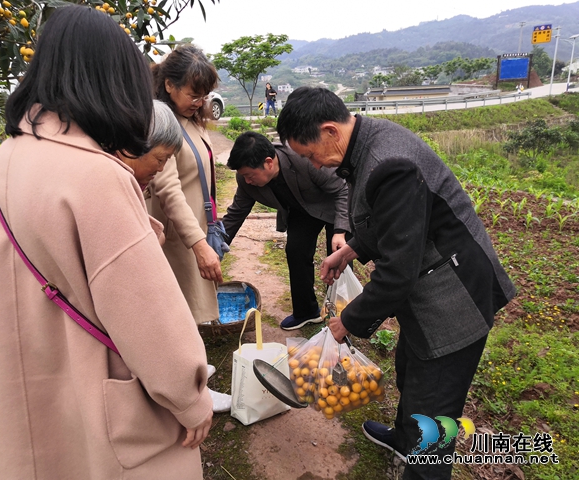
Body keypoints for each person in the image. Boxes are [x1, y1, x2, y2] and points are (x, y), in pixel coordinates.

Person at [0, 7, 212, 479]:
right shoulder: (96, 175)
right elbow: (147, 314)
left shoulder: (2, 162)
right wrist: (190, 397)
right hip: (104, 391)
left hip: (35, 383)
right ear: (111, 79)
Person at [277, 87, 516, 480]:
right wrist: (351, 249)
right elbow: (391, 222)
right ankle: (402, 440)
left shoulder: (388, 163)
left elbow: (398, 270)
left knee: (434, 410)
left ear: (329, 131)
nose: (314, 165)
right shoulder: (365, 144)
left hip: (455, 296)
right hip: (432, 283)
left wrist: (348, 321)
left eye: (310, 154)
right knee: (410, 367)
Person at [150, 44, 231, 412]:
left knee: (188, 310)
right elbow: (167, 188)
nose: (199, 102)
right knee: (177, 312)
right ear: (168, 85)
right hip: (177, 234)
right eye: (192, 94)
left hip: (195, 225)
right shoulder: (161, 122)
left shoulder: (188, 120)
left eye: (204, 95)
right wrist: (198, 243)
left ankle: (192, 375)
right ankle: (192, 394)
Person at [222, 131, 350, 330]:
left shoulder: (303, 158)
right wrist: (215, 249)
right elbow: (235, 214)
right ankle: (307, 312)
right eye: (243, 175)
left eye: (249, 175)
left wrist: (341, 230)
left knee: (338, 257)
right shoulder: (246, 180)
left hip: (335, 202)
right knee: (296, 250)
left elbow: (342, 190)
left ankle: (343, 316)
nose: (247, 181)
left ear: (268, 163)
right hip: (304, 208)